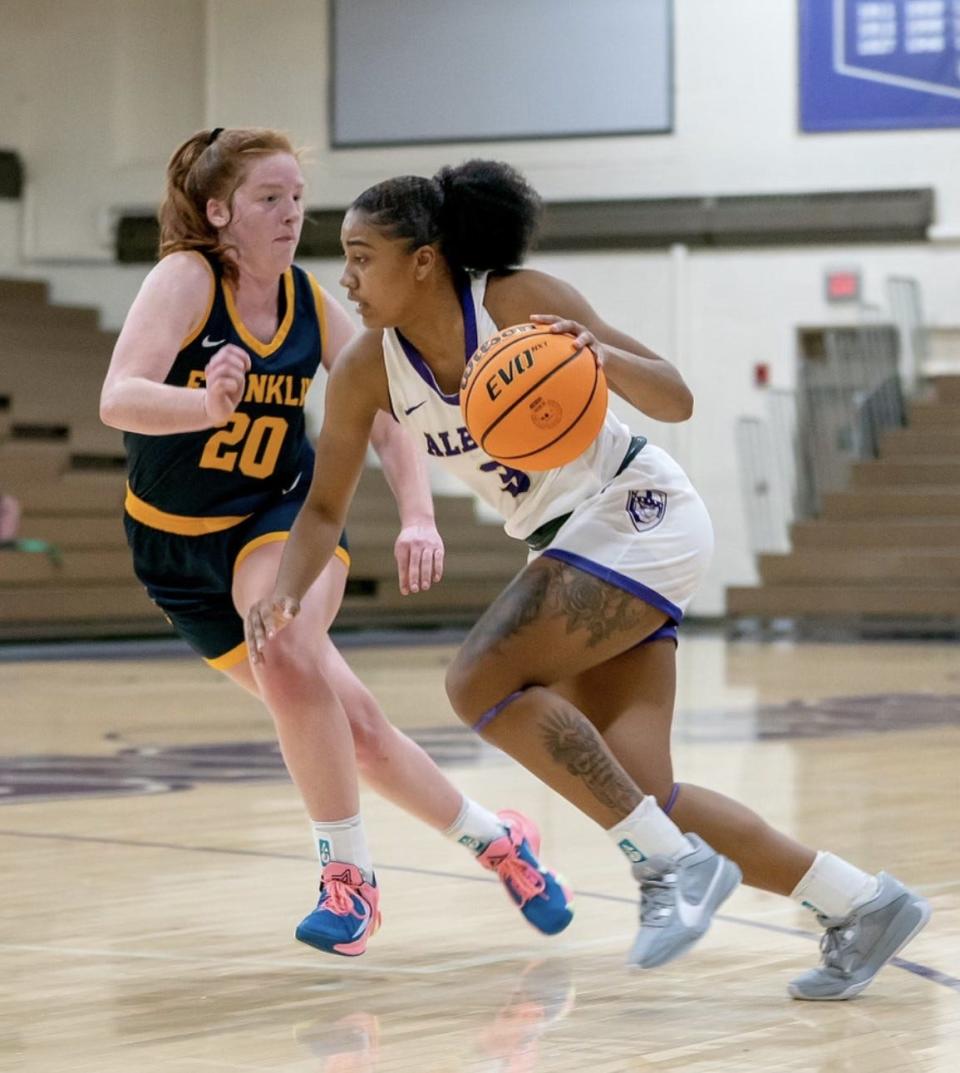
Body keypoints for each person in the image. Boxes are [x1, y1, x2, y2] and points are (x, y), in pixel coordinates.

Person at [247, 158, 931, 998]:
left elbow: (675, 398)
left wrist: (599, 355)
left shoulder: (512, 299)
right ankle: (861, 901)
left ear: (423, 259)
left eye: (360, 256)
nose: (345, 278)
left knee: (477, 680)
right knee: (642, 788)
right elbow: (321, 510)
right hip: (565, 542)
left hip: (637, 508)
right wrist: (284, 590)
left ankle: (669, 870)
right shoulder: (366, 371)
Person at [99, 130, 573, 959]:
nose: (291, 214)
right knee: (351, 725)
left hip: (277, 521)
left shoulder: (305, 299)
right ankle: (501, 840)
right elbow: (119, 398)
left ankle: (346, 880)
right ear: (219, 214)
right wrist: (203, 408)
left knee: (281, 645)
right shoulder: (185, 280)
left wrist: (419, 514)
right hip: (172, 552)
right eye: (269, 199)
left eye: (295, 197)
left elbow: (385, 418)